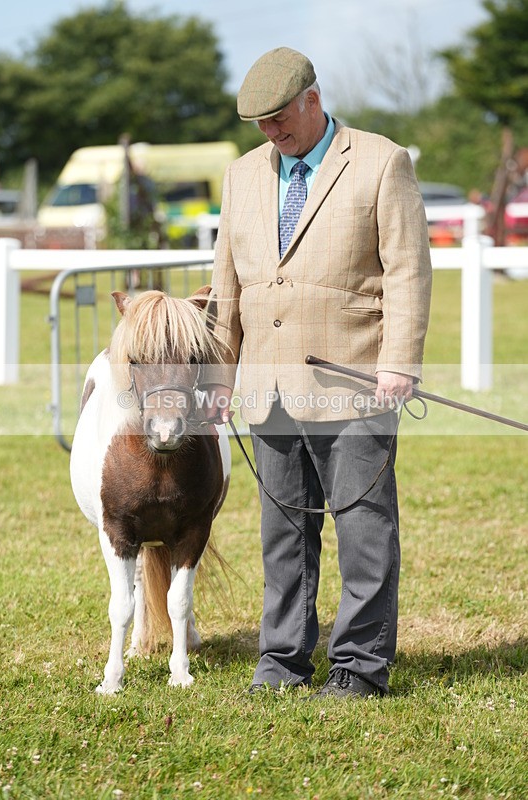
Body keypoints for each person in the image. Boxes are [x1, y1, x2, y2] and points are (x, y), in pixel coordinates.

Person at [202, 47, 432, 699]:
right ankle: (280, 661)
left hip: (355, 382)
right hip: (266, 388)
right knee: (282, 536)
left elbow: (408, 271)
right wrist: (220, 377)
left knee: (362, 530)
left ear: (312, 98)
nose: (271, 133)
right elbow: (226, 283)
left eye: (279, 118)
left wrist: (398, 362)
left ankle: (358, 667)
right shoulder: (240, 175)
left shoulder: (381, 162)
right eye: (259, 124)